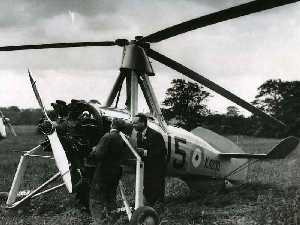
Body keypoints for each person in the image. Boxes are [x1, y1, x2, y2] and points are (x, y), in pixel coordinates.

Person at [89, 118, 126, 224]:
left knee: (96, 198)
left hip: (103, 172)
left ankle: (100, 222)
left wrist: (93, 150)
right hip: (116, 172)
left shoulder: (107, 137)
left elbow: (98, 155)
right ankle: (113, 220)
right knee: (111, 197)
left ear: (112, 125)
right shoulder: (122, 138)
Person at [131, 113, 167, 209]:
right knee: (147, 188)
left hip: (157, 168)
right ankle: (149, 206)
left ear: (143, 123)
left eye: (135, 123)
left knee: (157, 188)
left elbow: (162, 151)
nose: (133, 125)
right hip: (146, 168)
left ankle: (158, 209)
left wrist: (145, 152)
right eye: (133, 123)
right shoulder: (139, 135)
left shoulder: (156, 135)